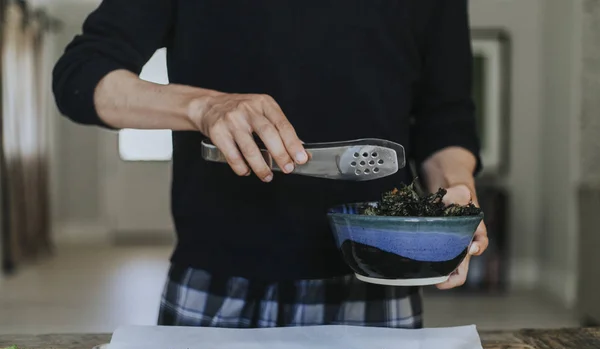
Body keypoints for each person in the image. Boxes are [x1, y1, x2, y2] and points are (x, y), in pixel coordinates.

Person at [52, 0, 488, 329]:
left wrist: (455, 194)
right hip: (216, 280)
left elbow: (445, 121)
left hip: (376, 279)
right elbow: (81, 75)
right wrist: (203, 107)